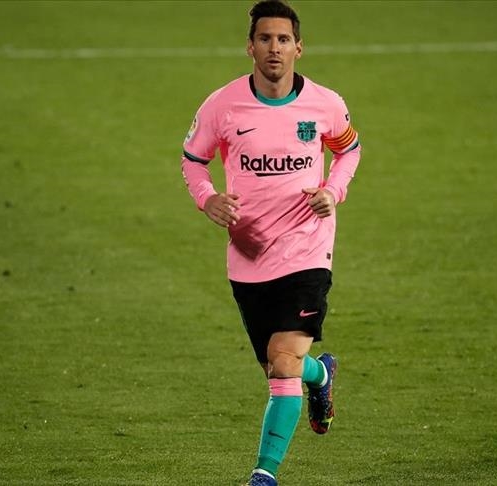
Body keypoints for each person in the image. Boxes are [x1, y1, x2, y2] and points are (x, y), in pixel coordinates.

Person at [180, 1, 361, 484]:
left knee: (283, 363)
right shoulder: (222, 106)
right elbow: (193, 160)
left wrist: (333, 191)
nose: (274, 48)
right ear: (250, 47)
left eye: (283, 39)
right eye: (265, 39)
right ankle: (321, 375)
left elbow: (349, 150)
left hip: (307, 249)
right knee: (280, 368)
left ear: (299, 47)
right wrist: (207, 199)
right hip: (249, 253)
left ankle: (264, 474)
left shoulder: (325, 104)